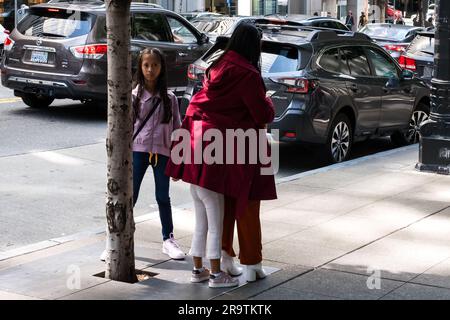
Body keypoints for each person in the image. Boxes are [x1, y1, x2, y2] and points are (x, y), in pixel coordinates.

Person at [165, 23, 276, 287]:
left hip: (200, 146)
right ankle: (233, 269)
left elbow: (203, 103)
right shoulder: (247, 73)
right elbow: (262, 114)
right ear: (253, 44)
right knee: (242, 205)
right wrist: (269, 101)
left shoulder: (217, 65)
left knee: (210, 213)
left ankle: (213, 263)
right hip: (236, 148)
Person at [132, 48, 184, 260]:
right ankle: (116, 237)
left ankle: (168, 239)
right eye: (146, 65)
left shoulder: (169, 98)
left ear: (161, 68)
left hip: (163, 153)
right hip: (138, 151)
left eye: (154, 65)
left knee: (163, 196)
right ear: (140, 67)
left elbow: (177, 130)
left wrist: (179, 161)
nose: (150, 69)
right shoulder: (133, 96)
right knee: (129, 197)